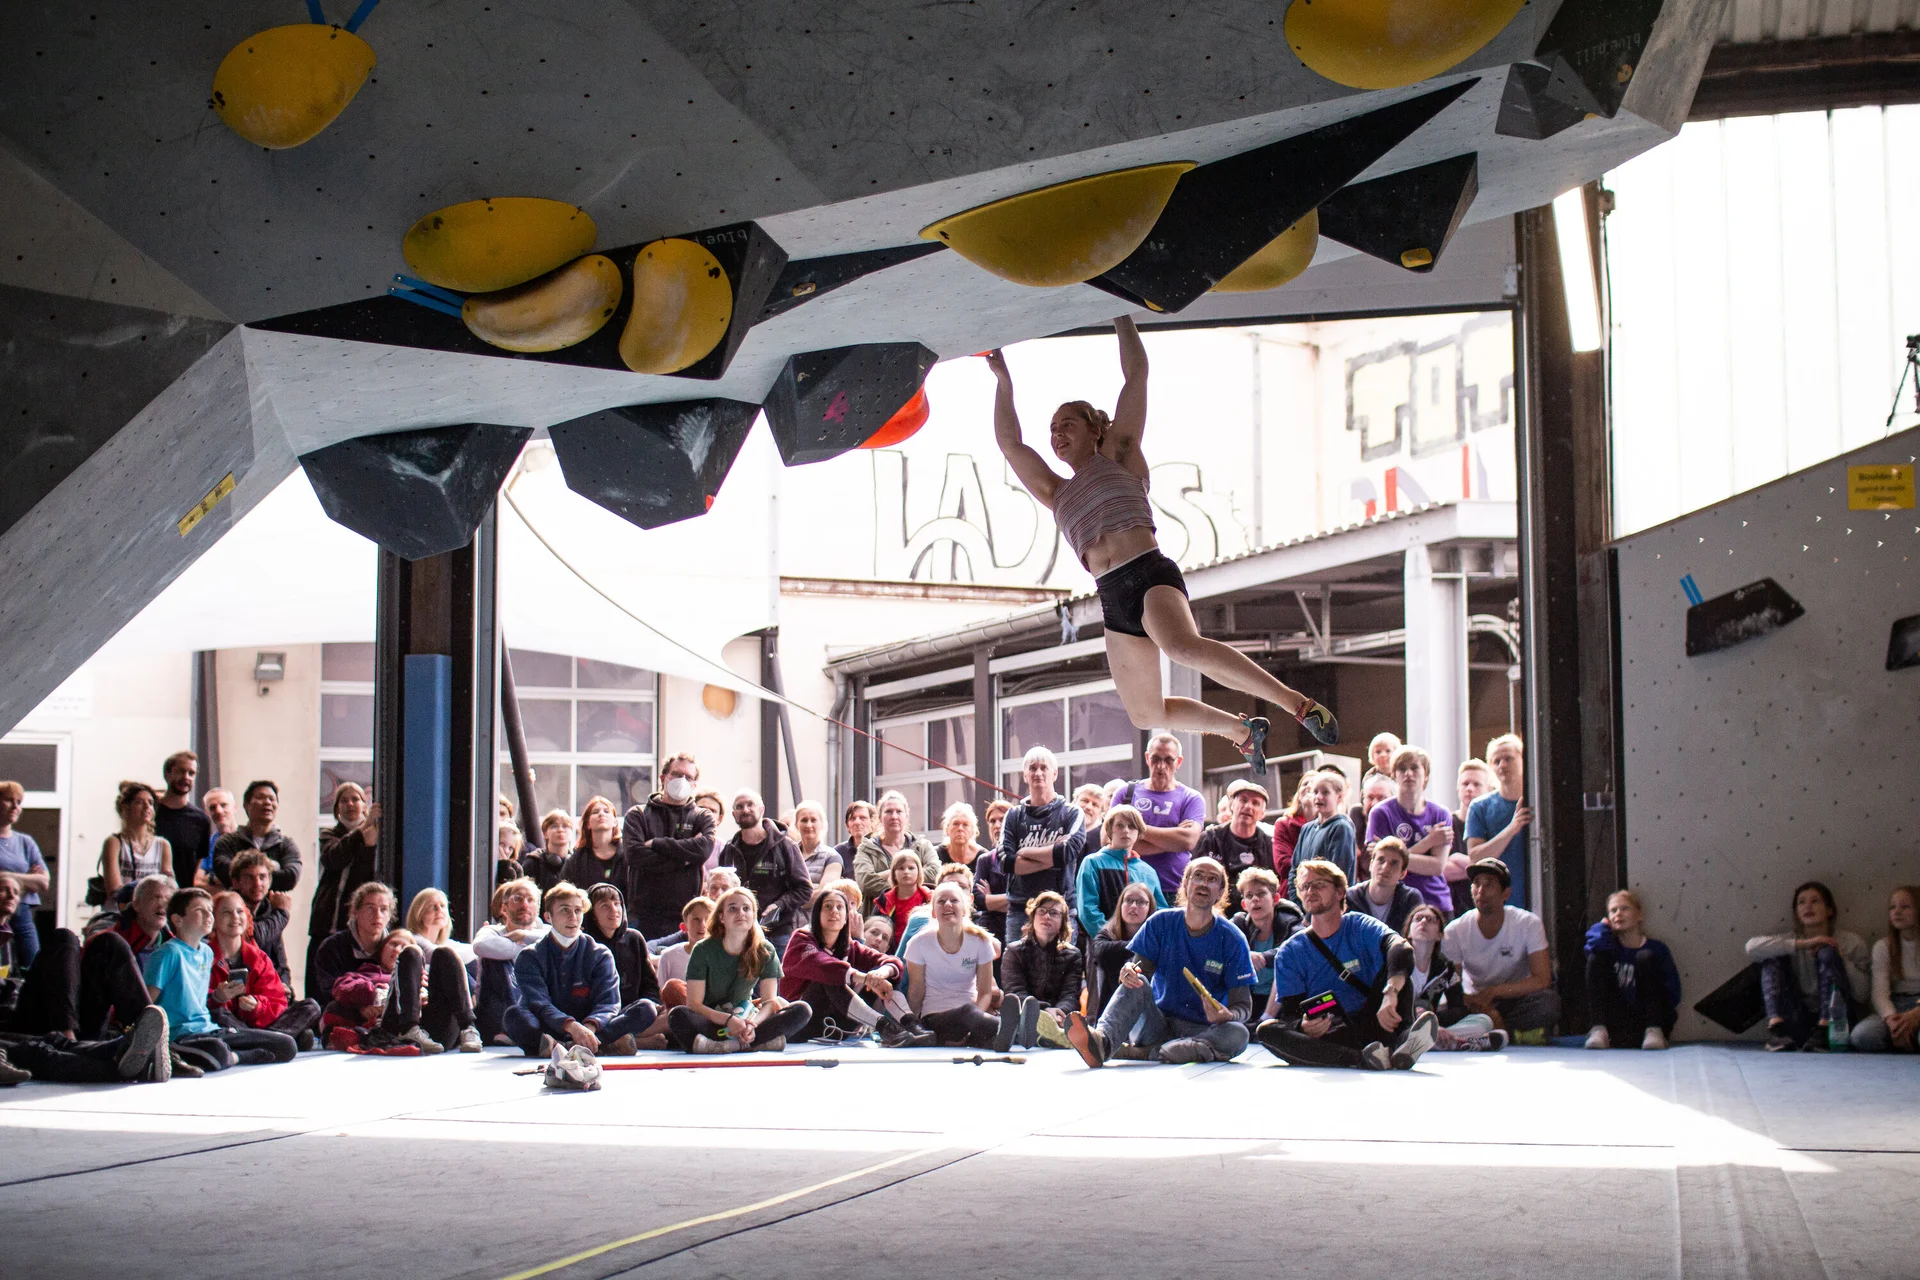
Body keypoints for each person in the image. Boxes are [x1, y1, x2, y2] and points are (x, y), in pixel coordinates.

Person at [985, 324, 1337, 772]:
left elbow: (1137, 374)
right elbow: (1010, 443)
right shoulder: (1056, 492)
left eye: (1067, 424)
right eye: (1052, 429)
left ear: (1095, 429)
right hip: (1112, 597)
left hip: (1148, 573)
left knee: (1182, 647)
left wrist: (1120, 312)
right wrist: (1003, 380)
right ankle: (1243, 732)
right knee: (1145, 713)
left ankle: (1298, 704)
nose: (1056, 434)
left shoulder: (1120, 453)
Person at [1255, 859, 1439, 1071]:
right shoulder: (1289, 952)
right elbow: (1290, 1012)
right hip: (1333, 1033)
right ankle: (1361, 1058)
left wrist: (1391, 991)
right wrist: (1303, 1025)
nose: (1310, 891)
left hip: (1378, 1019)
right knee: (1267, 1031)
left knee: (1397, 970)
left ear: (1340, 892)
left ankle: (1403, 1041)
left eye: (1319, 884)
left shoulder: (1359, 925)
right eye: (1305, 886)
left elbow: (1401, 947)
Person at [1068, 856, 1253, 1065]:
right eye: (1198, 876)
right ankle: (1102, 1043)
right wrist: (1129, 971)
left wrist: (1228, 1015)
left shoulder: (1233, 938)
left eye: (1212, 879)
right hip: (1155, 1023)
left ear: (1220, 892)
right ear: (1185, 884)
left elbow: (1243, 1006)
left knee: (1239, 1033)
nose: (1203, 883)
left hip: (1203, 1029)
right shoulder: (1160, 922)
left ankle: (1155, 1052)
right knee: (1137, 982)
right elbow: (1139, 973)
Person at [313, 880, 479, 1053]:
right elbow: (334, 993)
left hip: (432, 1026)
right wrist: (373, 998)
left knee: (443, 953)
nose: (377, 915)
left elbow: (449, 978)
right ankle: (410, 1028)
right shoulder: (344, 957)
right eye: (370, 908)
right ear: (355, 911)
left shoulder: (411, 959)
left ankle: (469, 1028)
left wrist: (422, 990)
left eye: (383, 909)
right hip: (386, 1023)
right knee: (411, 954)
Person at [144, 888, 297, 1069]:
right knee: (218, 1051)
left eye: (210, 910)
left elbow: (200, 1001)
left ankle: (232, 1056)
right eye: (200, 910)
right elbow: (147, 1003)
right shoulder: (168, 953)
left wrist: (218, 996)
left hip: (209, 1029)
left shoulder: (206, 952)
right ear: (178, 919)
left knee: (287, 1044)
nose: (208, 915)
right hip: (181, 1034)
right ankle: (232, 1056)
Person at [506, 883, 659, 1057]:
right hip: (549, 1027)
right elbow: (539, 1003)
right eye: (564, 910)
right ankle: (600, 1045)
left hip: (592, 1029)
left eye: (578, 911)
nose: (573, 917)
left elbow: (609, 1002)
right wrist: (571, 1026)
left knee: (646, 1008)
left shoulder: (600, 954)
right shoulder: (530, 956)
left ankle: (569, 1047)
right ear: (548, 916)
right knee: (513, 1016)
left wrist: (589, 1028)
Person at [780, 884, 928, 1046]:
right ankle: (885, 1027)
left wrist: (881, 973)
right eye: (828, 906)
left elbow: (893, 962)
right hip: (800, 1023)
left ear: (846, 917)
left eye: (840, 907)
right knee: (831, 977)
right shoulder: (802, 938)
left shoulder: (849, 946)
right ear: (817, 914)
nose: (834, 911)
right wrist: (866, 978)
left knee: (881, 972)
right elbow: (825, 966)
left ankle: (910, 1023)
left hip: (837, 1026)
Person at [669, 887, 812, 1053]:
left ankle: (728, 1045)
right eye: (733, 909)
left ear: (753, 916)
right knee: (678, 1015)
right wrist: (728, 1020)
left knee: (802, 1010)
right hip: (712, 1019)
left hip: (746, 1017)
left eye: (746, 909)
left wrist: (752, 1024)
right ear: (721, 917)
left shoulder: (765, 950)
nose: (740, 913)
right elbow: (694, 1004)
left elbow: (769, 1002)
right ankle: (755, 1044)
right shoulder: (703, 949)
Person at [1746, 880, 1870, 1052]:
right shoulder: (1792, 940)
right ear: (1797, 914)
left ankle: (1824, 1029)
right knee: (1772, 957)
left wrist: (1839, 957)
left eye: (1815, 901)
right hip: (1798, 1019)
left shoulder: (1851, 942)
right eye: (1802, 902)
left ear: (1829, 910)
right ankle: (1778, 1031)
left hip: (1836, 1023)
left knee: (1827, 953)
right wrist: (1806, 943)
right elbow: (1751, 947)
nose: (1808, 906)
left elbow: (1863, 995)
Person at [1443, 858, 1560, 1041]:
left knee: (1548, 1003)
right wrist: (1479, 1004)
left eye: (1489, 884)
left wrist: (1493, 992)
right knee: (1447, 1009)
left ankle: (1494, 1032)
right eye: (1476, 884)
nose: (1481, 891)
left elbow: (1542, 979)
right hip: (1475, 1002)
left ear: (1506, 893)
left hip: (1515, 997)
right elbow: (1452, 987)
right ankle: (1508, 1033)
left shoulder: (1528, 923)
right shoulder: (1455, 930)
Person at [621, 751, 718, 940]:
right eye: (676, 774)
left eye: (688, 777)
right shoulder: (638, 815)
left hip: (685, 917)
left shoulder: (702, 817)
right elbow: (635, 855)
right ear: (663, 777)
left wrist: (657, 843)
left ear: (695, 784)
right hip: (644, 915)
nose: (682, 780)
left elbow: (703, 849)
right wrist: (685, 859)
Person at [208, 890, 321, 1046]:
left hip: (261, 1025)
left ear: (247, 917)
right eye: (226, 912)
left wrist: (257, 1006)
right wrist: (217, 998)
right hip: (228, 1024)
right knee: (218, 1013)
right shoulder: (204, 956)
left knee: (311, 1006)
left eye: (240, 911)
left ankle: (261, 1042)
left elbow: (278, 1000)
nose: (235, 917)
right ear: (213, 919)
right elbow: (198, 1003)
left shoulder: (258, 957)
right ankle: (277, 1041)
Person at [995, 748, 1084, 944]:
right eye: (1032, 768)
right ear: (1025, 775)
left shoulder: (1072, 813)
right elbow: (1006, 862)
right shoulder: (1013, 815)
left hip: (1060, 909)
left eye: (1044, 768)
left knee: (1062, 963)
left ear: (1055, 774)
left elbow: (1068, 851)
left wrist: (1025, 852)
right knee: (1017, 964)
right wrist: (1053, 856)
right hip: (1020, 909)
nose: (1038, 773)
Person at [905, 881, 1004, 1048]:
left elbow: (985, 992)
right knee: (968, 1012)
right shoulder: (918, 943)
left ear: (964, 909)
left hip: (973, 1017)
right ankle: (1011, 1029)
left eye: (954, 900)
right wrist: (912, 1028)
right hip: (935, 1019)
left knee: (986, 1035)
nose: (947, 904)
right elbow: (916, 992)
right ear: (933, 912)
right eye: (941, 901)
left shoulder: (980, 941)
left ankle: (1005, 1036)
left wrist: (973, 1026)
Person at [1106, 735, 1204, 902]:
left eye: (1168, 760)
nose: (1161, 766)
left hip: (1173, 889)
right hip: (1128, 887)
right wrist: (1172, 842)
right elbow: (1109, 840)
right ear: (1147, 758)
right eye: (1156, 759)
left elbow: (1188, 841)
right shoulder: (1126, 793)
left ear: (1179, 762)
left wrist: (1134, 830)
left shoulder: (1191, 798)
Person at [1582, 889, 1680, 1051]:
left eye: (1624, 908)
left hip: (1648, 1019)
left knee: (1645, 957)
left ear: (1639, 915)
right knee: (1597, 957)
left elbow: (1673, 992)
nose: (1618, 914)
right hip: (1618, 1022)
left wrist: (1661, 1017)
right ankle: (1599, 1030)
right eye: (1613, 910)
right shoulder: (1608, 947)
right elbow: (1592, 949)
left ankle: (1654, 1031)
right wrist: (1603, 928)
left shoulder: (1657, 949)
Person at [717, 789, 812, 954]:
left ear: (761, 809)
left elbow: (805, 889)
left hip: (777, 933)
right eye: (739, 806)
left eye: (750, 805)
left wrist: (779, 905)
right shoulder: (729, 850)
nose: (745, 810)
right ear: (734, 815)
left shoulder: (785, 846)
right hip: (738, 935)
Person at [1365, 747, 1457, 913]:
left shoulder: (1441, 814)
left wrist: (1395, 858)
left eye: (1414, 768)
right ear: (1394, 775)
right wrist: (1429, 842)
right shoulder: (1380, 813)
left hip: (1435, 902)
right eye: (1402, 769)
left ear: (1426, 774)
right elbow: (1385, 866)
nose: (1408, 773)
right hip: (1394, 904)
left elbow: (1437, 867)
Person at [309, 783, 378, 997]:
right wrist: (362, 832)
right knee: (318, 981)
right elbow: (333, 858)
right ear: (336, 808)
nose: (350, 804)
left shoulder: (375, 835)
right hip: (327, 918)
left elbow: (367, 875)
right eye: (344, 800)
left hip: (353, 919)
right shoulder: (330, 834)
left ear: (365, 805)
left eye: (355, 799)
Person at [1403, 902, 1502, 1051]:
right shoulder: (1398, 961)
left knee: (1484, 1021)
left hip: (1432, 1022)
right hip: (1401, 1021)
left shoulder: (1446, 968)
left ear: (1439, 935)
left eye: (1430, 920)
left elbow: (1458, 1007)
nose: (1423, 922)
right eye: (1418, 919)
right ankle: (1457, 1042)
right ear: (1409, 933)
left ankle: (1433, 1039)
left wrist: (1435, 1022)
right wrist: (1425, 1021)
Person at [1000, 890, 1083, 1050]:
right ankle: (1043, 1036)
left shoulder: (1073, 955)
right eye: (1042, 911)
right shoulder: (1014, 951)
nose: (1047, 916)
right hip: (1026, 1013)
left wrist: (1059, 1011)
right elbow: (1015, 992)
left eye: (1054, 913)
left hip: (1059, 1016)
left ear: (1063, 921)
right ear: (1033, 917)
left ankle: (1047, 1036)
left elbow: (1071, 994)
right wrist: (1044, 1010)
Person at [1074, 805, 1169, 940]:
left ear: (1139, 832)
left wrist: (1146, 941)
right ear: (1109, 830)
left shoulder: (1148, 871)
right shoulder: (1093, 863)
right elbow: (1087, 909)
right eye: (1120, 825)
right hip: (1104, 944)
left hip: (1141, 945)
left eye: (1132, 826)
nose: (1126, 830)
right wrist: (1108, 938)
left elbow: (1159, 911)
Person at [1852, 886, 1920, 1053]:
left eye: (1905, 907)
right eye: (1892, 907)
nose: (1897, 912)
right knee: (1862, 1035)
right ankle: (1903, 1037)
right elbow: (1879, 994)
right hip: (1897, 1005)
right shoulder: (1883, 946)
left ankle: (1909, 1038)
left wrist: (1914, 1015)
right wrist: (1892, 1020)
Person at [1465, 734, 1532, 904]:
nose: (1502, 765)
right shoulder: (1479, 807)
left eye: (1508, 759)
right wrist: (1512, 828)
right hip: (1498, 904)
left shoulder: (1538, 800)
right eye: (1496, 761)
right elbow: (1475, 858)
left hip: (1538, 896)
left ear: (1523, 759)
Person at [1231, 867, 1301, 1027]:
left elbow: (1296, 947)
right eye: (1249, 896)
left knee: (1286, 966)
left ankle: (1266, 1021)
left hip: (1281, 1001)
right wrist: (1246, 955)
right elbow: (1223, 944)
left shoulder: (1290, 921)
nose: (1255, 899)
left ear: (1275, 899)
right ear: (1244, 904)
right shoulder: (1240, 923)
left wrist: (1264, 957)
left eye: (1261, 894)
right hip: (1250, 997)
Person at [210, 780, 302, 893]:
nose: (268, 802)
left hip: (273, 904)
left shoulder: (286, 844)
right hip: (237, 903)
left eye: (272, 799)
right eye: (261, 797)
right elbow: (223, 870)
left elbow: (290, 877)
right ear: (246, 805)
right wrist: (274, 866)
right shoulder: (228, 841)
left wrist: (243, 871)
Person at [1196, 779, 1272, 913]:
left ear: (1262, 813)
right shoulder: (1210, 838)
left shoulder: (1269, 844)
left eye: (1255, 803)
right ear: (1232, 805)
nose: (1248, 806)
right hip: (1215, 911)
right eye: (1243, 800)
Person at [852, 791, 941, 907]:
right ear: (880, 817)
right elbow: (865, 883)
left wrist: (884, 875)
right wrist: (910, 879)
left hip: (918, 914)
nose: (894, 816)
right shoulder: (866, 849)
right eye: (888, 811)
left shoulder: (922, 846)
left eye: (899, 811)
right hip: (878, 915)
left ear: (906, 816)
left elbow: (935, 873)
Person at [1085, 880, 1157, 1018]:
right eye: (1128, 900)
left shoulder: (1157, 935)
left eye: (1141, 902)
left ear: (1150, 907)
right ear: (1120, 905)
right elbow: (1100, 952)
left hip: (1146, 1009)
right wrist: (1140, 946)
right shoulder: (1107, 932)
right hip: (1110, 1007)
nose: (1133, 906)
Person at [226, 850, 295, 989]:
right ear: (235, 882)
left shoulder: (268, 909)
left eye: (262, 877)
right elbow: (255, 938)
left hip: (268, 988)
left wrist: (285, 986)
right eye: (249, 878)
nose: (257, 883)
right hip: (240, 988)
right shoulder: (228, 907)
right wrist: (282, 913)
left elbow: (280, 961)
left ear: (270, 881)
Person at [0, 781, 50, 968]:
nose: (15, 806)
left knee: (32, 966)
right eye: (9, 800)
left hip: (22, 911)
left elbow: (43, 882)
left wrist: (5, 875)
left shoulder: (25, 842)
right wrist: (27, 878)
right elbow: (35, 881)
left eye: (19, 802)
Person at [100, 780, 171, 903]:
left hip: (152, 909)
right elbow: (114, 889)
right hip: (120, 909)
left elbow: (169, 884)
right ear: (125, 807)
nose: (147, 807)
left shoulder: (162, 845)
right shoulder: (114, 843)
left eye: (150, 803)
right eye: (139, 802)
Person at [154, 751, 213, 890]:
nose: (186, 777)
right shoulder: (151, 813)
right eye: (180, 771)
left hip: (182, 894)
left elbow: (197, 861)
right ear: (167, 774)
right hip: (150, 893)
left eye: (191, 773)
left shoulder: (201, 820)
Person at [1290, 770, 1356, 895]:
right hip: (1305, 902)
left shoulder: (1341, 828)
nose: (1319, 797)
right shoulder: (1306, 829)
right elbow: (1294, 870)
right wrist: (1297, 900)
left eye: (1325, 792)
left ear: (1339, 797)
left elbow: (1338, 875)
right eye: (1315, 792)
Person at [1346, 837, 1422, 934]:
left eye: (1394, 863)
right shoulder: (1350, 897)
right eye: (1381, 860)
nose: (1385, 867)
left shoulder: (1410, 899)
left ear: (1403, 873)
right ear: (1371, 865)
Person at [1449, 759, 1494, 915]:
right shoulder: (1446, 822)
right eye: (1465, 783)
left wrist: (1456, 858)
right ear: (1457, 789)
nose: (1469, 788)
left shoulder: (1492, 825)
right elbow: (1441, 871)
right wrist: (1480, 867)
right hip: (1453, 909)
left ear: (1489, 789)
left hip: (1487, 907)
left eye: (1476, 784)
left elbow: (1495, 868)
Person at [559, 795, 625, 896]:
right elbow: (564, 893)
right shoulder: (577, 859)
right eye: (595, 812)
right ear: (588, 824)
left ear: (615, 822)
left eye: (606, 811)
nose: (601, 814)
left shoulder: (628, 855)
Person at [873, 850, 931, 954]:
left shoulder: (929, 898)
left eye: (911, 868)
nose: (906, 872)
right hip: (890, 953)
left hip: (923, 951)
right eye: (901, 868)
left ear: (919, 872)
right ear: (893, 874)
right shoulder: (884, 900)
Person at [405, 887, 475, 967]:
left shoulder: (444, 943)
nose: (439, 910)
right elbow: (444, 957)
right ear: (419, 914)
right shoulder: (414, 940)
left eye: (442, 906)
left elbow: (472, 949)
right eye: (432, 907)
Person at [1269, 774, 1315, 894]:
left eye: (1314, 783)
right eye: (1305, 784)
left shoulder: (1331, 826)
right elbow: (1283, 865)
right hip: (1292, 891)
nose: (1308, 786)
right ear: (1298, 795)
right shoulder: (1284, 824)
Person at [655, 896, 712, 989]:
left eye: (708, 919)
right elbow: (661, 992)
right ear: (683, 927)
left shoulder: (722, 957)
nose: (703, 925)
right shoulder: (668, 956)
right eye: (696, 919)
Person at [1349, 772, 1394, 879]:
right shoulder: (1356, 816)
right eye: (1370, 797)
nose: (1375, 804)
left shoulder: (1399, 824)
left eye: (1381, 798)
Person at [524, 810, 574, 897]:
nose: (560, 830)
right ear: (545, 833)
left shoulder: (577, 862)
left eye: (565, 826)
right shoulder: (533, 862)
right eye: (554, 826)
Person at [834, 800, 875, 876]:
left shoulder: (881, 849)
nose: (857, 822)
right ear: (847, 826)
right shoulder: (838, 853)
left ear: (873, 823)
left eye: (863, 818)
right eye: (852, 818)